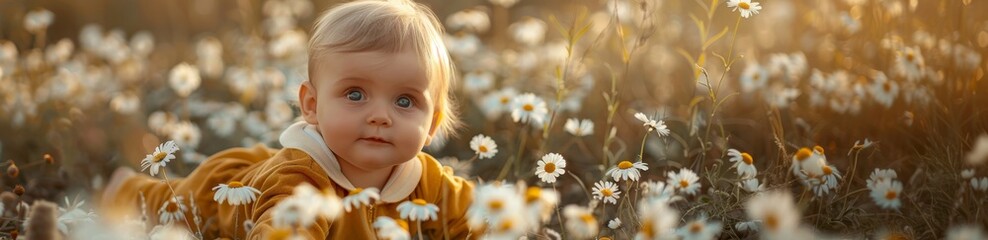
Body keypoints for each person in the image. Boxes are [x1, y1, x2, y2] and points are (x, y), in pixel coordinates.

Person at [101, 0, 473, 238]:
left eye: (405, 101)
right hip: (228, 191)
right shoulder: (300, 183)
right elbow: (284, 230)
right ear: (311, 104)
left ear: (433, 124)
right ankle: (123, 185)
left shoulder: (429, 183)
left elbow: (482, 218)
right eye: (355, 94)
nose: (380, 116)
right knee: (168, 204)